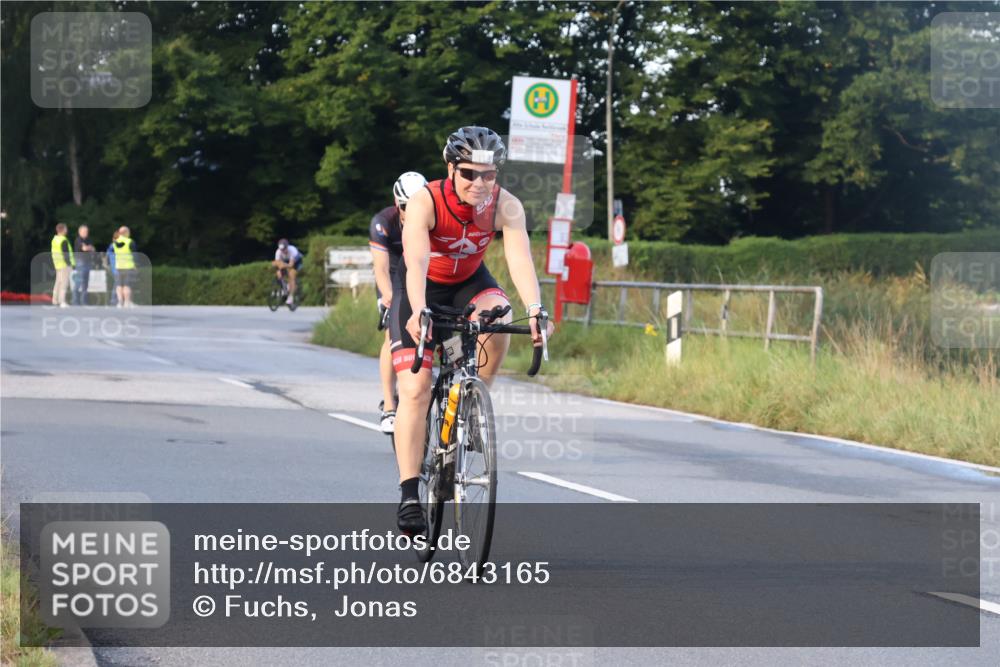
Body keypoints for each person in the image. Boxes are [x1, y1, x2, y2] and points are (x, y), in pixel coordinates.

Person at [390, 126, 554, 534]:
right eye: (469, 174)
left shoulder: (506, 205)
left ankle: (472, 399)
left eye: (489, 174)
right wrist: (419, 310)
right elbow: (416, 261)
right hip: (423, 284)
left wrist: (536, 309)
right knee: (415, 387)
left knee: (500, 314)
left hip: (469, 282)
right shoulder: (426, 199)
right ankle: (410, 494)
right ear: (450, 169)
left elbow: (519, 259)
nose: (480, 183)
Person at [370, 171, 427, 434]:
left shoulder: (431, 216)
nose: (411, 211)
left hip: (423, 271)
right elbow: (380, 269)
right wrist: (388, 298)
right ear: (397, 203)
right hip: (393, 275)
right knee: (391, 334)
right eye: (405, 206)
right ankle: (390, 405)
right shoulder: (384, 222)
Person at [50, 223, 74, 308]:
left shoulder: (55, 239)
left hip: (57, 263)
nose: (66, 230)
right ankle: (62, 301)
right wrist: (70, 264)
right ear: (63, 230)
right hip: (64, 264)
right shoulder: (63, 240)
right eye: (66, 229)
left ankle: (55, 300)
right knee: (64, 283)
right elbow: (66, 253)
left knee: (58, 282)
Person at [273, 239, 303, 305]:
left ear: (287, 247)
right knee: (279, 273)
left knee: (291, 275)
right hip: (287, 262)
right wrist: (279, 266)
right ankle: (284, 288)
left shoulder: (292, 250)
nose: (283, 251)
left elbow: (291, 265)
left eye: (284, 249)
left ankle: (291, 296)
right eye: (281, 250)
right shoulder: (278, 252)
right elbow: (277, 263)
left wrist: (283, 265)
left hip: (296, 262)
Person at [113, 226, 137, 308]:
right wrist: (135, 265)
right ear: (127, 232)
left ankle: (120, 303)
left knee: (119, 285)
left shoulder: (115, 242)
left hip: (118, 266)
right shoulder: (130, 242)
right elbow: (135, 255)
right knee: (127, 285)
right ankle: (127, 302)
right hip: (128, 266)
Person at [72, 225, 96, 306]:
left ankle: (84, 302)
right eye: (84, 231)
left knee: (85, 283)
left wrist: (88, 247)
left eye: (87, 231)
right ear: (80, 232)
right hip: (80, 263)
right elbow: (85, 248)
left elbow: (93, 249)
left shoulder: (89, 240)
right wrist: (89, 247)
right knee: (79, 282)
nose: (86, 233)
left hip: (88, 262)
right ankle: (75, 301)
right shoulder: (78, 240)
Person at [106, 231, 119, 306]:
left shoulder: (112, 245)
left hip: (115, 267)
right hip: (116, 267)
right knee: (117, 283)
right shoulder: (114, 246)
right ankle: (114, 300)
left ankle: (115, 300)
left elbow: (107, 256)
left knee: (118, 283)